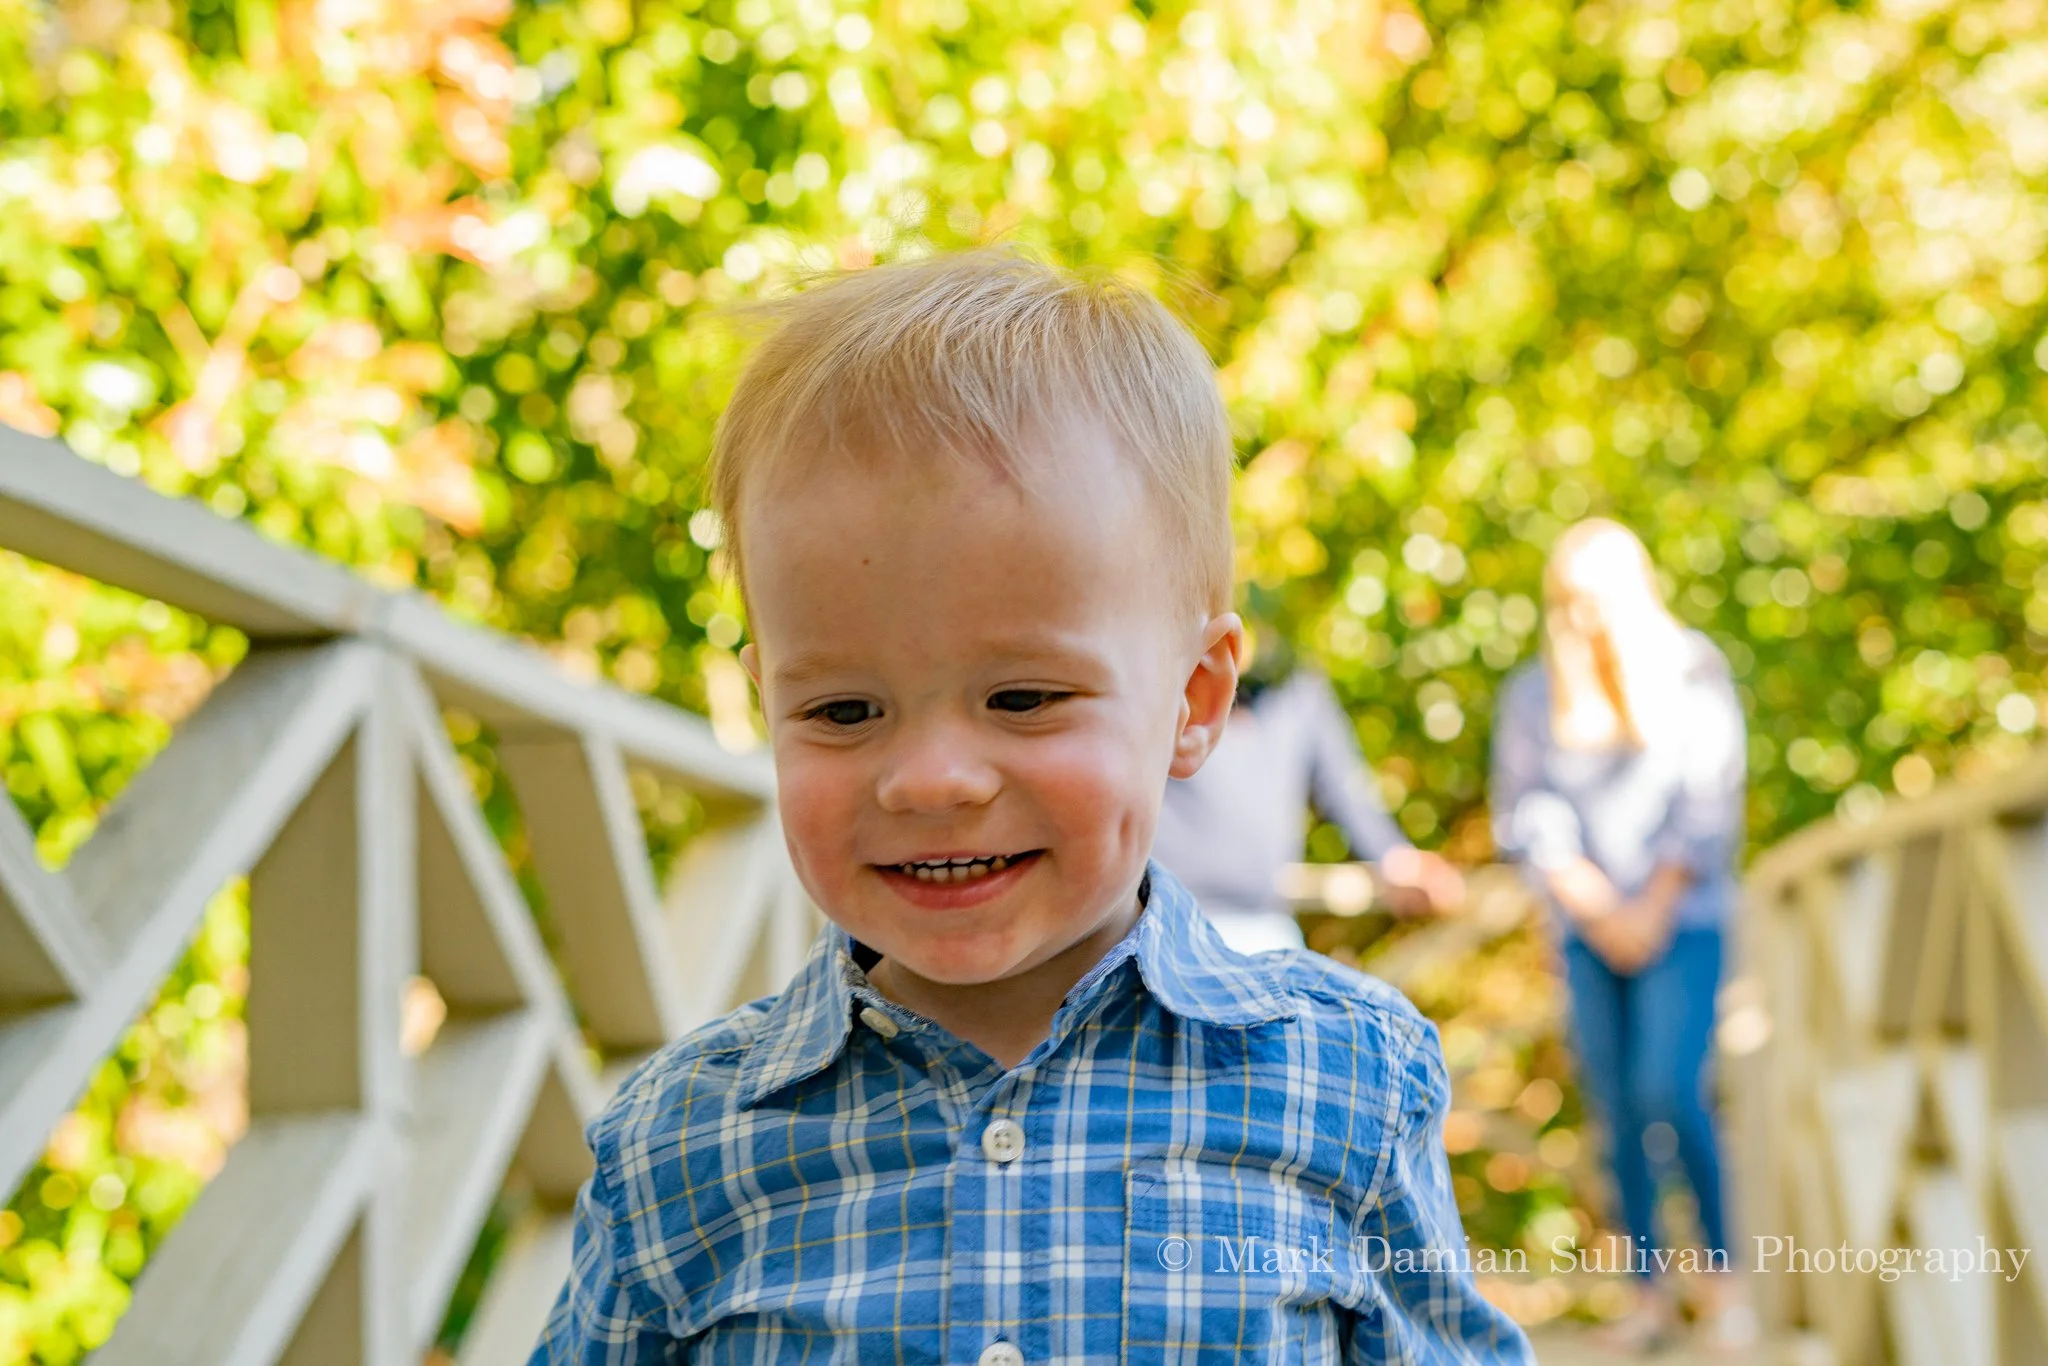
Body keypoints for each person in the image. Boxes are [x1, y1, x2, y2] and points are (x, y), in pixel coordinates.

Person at [532, 251, 1533, 1363]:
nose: (930, 780)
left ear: (1193, 700)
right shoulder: (681, 1145)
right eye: (843, 709)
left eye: (1021, 698)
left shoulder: (1343, 1080)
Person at [1490, 519, 1756, 1354]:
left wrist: (1650, 907)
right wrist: (1598, 909)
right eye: (1570, 602)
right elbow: (1528, 814)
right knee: (1615, 1106)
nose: (1585, 618)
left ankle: (1722, 1280)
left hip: (1686, 921)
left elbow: (1709, 798)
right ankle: (1646, 1292)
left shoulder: (1694, 670)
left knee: (1669, 1089)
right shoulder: (1534, 695)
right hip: (1588, 928)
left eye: (1597, 599)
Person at [1152, 622, 1464, 954]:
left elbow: (1345, 788)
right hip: (1163, 923)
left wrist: (1395, 858)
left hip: (1264, 926)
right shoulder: (1164, 666)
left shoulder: (1297, 687)